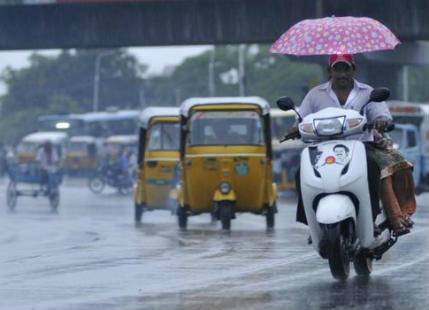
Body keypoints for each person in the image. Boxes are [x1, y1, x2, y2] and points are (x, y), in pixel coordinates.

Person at [292, 54, 416, 237]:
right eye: (337, 69)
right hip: (323, 148)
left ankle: (373, 217)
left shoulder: (367, 92)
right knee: (300, 173)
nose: (342, 74)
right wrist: (295, 127)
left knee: (374, 169)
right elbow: (300, 119)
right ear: (329, 71)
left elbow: (381, 114)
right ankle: (312, 222)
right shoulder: (315, 95)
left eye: (346, 68)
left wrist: (381, 121)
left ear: (353, 69)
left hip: (360, 147)